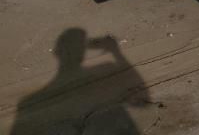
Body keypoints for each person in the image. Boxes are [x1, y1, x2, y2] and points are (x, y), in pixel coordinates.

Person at [11, 28, 149, 134]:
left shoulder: (27, 103)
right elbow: (143, 98)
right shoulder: (105, 69)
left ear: (57, 52)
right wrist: (115, 52)